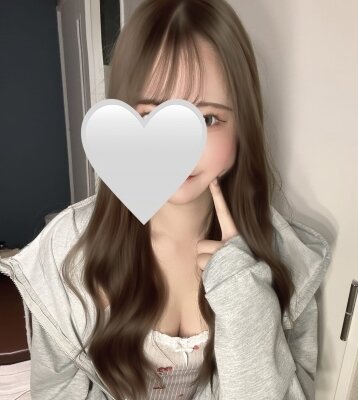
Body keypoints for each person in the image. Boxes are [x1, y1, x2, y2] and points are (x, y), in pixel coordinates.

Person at [0, 0, 332, 399]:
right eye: (150, 114)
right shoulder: (66, 253)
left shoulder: (286, 258)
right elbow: (54, 391)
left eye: (206, 119)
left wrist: (246, 305)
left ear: (242, 126)